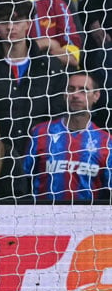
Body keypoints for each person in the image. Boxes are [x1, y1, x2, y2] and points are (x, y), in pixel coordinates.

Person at [0, 0, 66, 155]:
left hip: (42, 152)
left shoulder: (50, 66)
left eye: (16, 21)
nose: (10, 27)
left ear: (28, 24)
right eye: (3, 22)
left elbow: (58, 116)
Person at [23, 71, 112, 202]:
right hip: (44, 218)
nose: (75, 95)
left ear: (96, 96)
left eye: (83, 90)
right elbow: (24, 179)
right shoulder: (41, 132)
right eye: (71, 89)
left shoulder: (106, 141)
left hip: (87, 219)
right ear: (65, 95)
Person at [5, 0, 82, 70]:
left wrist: (27, 52)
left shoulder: (56, 5)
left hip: (50, 77)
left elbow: (73, 58)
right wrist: (45, 44)